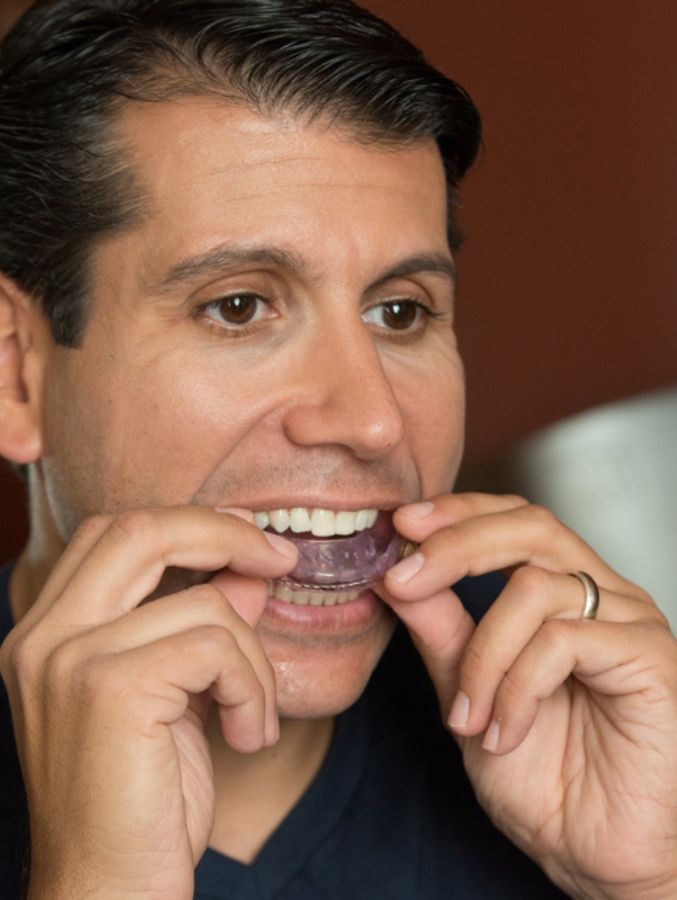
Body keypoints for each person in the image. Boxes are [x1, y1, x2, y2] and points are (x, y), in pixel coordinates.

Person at [0, 1, 675, 897]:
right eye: (238, 306)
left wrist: (648, 879)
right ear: (16, 376)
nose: (372, 422)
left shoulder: (585, 720)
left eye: (400, 312)